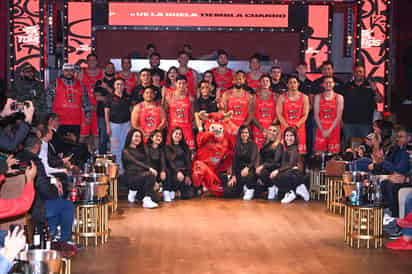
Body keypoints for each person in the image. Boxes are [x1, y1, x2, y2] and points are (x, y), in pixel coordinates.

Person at [16, 134, 75, 244]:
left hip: (17, 202)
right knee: (67, 205)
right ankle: (64, 241)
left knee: (56, 203)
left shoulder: (16, 158)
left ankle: (51, 236)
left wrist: (52, 182)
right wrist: (56, 192)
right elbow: (43, 186)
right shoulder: (35, 162)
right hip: (34, 206)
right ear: (37, 146)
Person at [342, 64, 382, 147]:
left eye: (360, 72)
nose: (358, 73)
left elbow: (379, 100)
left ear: (364, 73)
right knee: (348, 148)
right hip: (349, 123)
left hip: (365, 123)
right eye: (356, 71)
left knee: (366, 147)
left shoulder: (370, 86)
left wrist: (375, 90)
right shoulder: (347, 86)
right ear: (353, 73)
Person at [50, 63, 90, 140]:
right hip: (59, 121)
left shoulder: (81, 84)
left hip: (75, 121)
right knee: (58, 144)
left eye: (71, 70)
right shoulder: (55, 83)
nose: (69, 73)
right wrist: (49, 118)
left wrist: (87, 116)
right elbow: (48, 101)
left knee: (74, 145)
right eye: (66, 70)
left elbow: (86, 102)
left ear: (74, 71)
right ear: (62, 71)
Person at [122, 129, 158, 208]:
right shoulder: (125, 151)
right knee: (150, 174)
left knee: (156, 199)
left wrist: (153, 181)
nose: (138, 138)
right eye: (136, 136)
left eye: (140, 137)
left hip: (142, 177)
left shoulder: (141, 150)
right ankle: (145, 200)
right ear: (130, 137)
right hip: (132, 178)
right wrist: (149, 169)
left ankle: (137, 195)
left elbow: (146, 163)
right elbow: (135, 162)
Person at [271, 127, 309, 203]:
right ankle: (298, 188)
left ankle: (291, 192)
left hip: (296, 174)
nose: (289, 138)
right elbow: (282, 163)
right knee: (274, 177)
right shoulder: (286, 148)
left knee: (280, 176)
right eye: (287, 136)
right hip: (290, 172)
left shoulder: (294, 149)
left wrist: (278, 171)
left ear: (295, 137)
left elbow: (291, 164)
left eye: (291, 136)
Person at [276, 76, 310, 154]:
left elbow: (305, 114)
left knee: (300, 153)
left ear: (298, 84)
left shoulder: (304, 97)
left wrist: (296, 126)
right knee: (285, 152)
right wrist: (288, 127)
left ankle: (299, 166)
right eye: (290, 83)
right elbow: (279, 114)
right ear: (287, 85)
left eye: (294, 82)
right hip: (285, 127)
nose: (292, 84)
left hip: (299, 128)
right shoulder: (282, 97)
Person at [104, 78, 131, 172]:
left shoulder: (127, 97)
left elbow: (131, 111)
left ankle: (123, 170)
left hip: (126, 125)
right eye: (118, 84)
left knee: (124, 147)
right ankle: (116, 171)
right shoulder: (109, 97)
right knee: (115, 148)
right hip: (114, 125)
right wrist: (107, 126)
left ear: (124, 86)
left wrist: (130, 126)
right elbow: (106, 112)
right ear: (114, 86)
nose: (119, 86)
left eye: (121, 84)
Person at [77, 53, 103, 152]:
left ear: (97, 62)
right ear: (87, 62)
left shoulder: (102, 72)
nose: (92, 62)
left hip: (98, 109)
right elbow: (77, 90)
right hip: (85, 109)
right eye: (90, 60)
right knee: (83, 135)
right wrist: (84, 106)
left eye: (94, 60)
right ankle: (80, 155)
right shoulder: (81, 73)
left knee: (97, 135)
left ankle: (97, 157)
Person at [221, 71, 254, 145]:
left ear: (244, 80)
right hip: (229, 129)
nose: (238, 81)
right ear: (233, 80)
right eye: (236, 79)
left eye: (240, 79)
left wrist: (243, 127)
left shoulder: (249, 96)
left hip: (243, 130)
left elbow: (251, 114)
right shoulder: (226, 94)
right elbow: (223, 112)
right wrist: (233, 126)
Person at [313, 76, 344, 154]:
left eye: (330, 82)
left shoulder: (339, 97)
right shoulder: (318, 97)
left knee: (333, 155)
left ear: (333, 84)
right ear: (323, 84)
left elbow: (339, 116)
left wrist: (329, 130)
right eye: (326, 82)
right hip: (321, 128)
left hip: (334, 128)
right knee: (319, 154)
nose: (328, 84)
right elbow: (316, 115)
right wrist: (323, 130)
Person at [164, 75, 195, 150]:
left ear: (187, 84)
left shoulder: (190, 98)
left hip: (186, 128)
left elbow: (192, 114)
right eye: (179, 83)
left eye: (184, 83)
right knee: (170, 151)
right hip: (173, 128)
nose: (181, 85)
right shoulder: (169, 97)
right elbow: (165, 111)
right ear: (175, 84)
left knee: (189, 151)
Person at [227, 126, 258, 200]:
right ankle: (241, 188)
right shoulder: (237, 145)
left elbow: (253, 160)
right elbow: (234, 161)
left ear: (249, 134)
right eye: (242, 132)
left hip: (249, 169)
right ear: (240, 134)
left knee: (246, 176)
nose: (244, 134)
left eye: (246, 132)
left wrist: (247, 168)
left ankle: (249, 189)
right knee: (229, 191)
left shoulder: (253, 145)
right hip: (238, 170)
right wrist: (233, 175)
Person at [164, 127, 193, 201]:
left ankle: (176, 192)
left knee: (189, 195)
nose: (178, 135)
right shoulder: (167, 147)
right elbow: (170, 162)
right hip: (173, 171)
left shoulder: (185, 147)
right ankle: (169, 191)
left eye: (180, 134)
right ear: (172, 135)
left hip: (184, 171)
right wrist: (177, 172)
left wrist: (188, 175)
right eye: (176, 133)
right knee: (169, 173)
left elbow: (188, 162)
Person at [255, 123, 281, 200]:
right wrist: (257, 167)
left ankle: (272, 187)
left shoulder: (279, 145)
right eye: (270, 130)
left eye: (274, 131)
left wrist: (262, 166)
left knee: (263, 172)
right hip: (265, 168)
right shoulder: (265, 144)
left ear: (277, 133)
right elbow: (261, 158)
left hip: (274, 168)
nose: (271, 132)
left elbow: (276, 162)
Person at [94, 62, 116, 154]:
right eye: (108, 67)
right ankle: (101, 159)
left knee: (114, 140)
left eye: (112, 68)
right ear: (105, 70)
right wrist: (111, 98)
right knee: (102, 138)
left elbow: (117, 96)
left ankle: (115, 160)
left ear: (114, 70)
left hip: (115, 115)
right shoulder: (99, 82)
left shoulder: (118, 82)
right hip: (102, 114)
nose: (110, 69)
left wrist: (107, 87)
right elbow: (97, 97)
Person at [252, 75, 277, 149]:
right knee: (258, 151)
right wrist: (262, 129)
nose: (265, 83)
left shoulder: (275, 96)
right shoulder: (254, 97)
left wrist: (271, 129)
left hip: (271, 128)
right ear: (259, 83)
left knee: (271, 151)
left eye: (267, 81)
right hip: (258, 127)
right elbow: (251, 115)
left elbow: (278, 113)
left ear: (270, 83)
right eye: (263, 81)